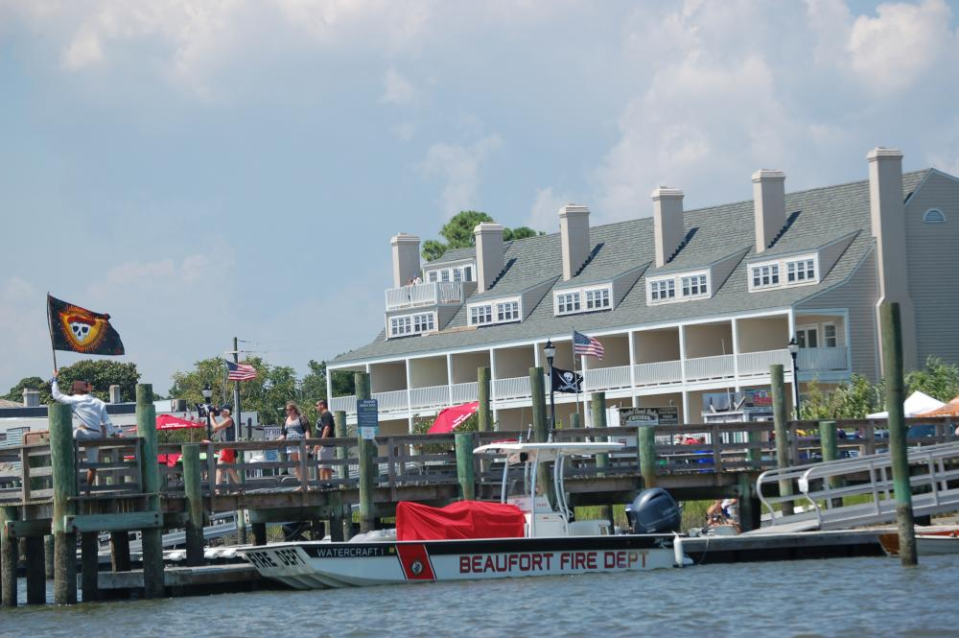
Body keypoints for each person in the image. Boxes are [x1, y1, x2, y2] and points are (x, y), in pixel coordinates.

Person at [51, 369, 122, 489]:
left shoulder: (74, 400)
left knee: (65, 438)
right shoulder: (99, 402)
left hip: (82, 433)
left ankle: (71, 462)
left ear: (76, 391)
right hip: (96, 435)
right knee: (92, 465)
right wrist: (116, 435)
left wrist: (54, 379)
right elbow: (107, 423)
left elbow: (56, 395)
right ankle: (88, 489)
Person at [281, 402, 311, 489]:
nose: (287, 412)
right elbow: (283, 434)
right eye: (286, 410)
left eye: (289, 410)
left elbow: (307, 431)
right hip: (290, 445)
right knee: (296, 465)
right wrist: (278, 440)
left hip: (301, 443)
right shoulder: (285, 420)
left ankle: (307, 484)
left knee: (303, 463)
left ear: (294, 409)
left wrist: (308, 443)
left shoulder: (301, 418)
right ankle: (301, 484)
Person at [212, 407, 240, 491]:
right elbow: (217, 428)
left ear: (227, 412)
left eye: (222, 410)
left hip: (226, 447)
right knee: (231, 470)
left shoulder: (228, 420)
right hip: (229, 448)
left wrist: (211, 417)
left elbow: (216, 427)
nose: (220, 412)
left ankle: (217, 491)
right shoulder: (228, 420)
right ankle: (241, 488)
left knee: (220, 469)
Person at [313, 399, 336, 483]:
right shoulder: (323, 415)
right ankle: (327, 484)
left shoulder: (326, 415)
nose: (315, 407)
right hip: (324, 445)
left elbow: (327, 428)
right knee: (324, 466)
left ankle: (324, 484)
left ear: (322, 405)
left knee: (323, 467)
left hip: (326, 445)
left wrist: (320, 443)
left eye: (316, 405)